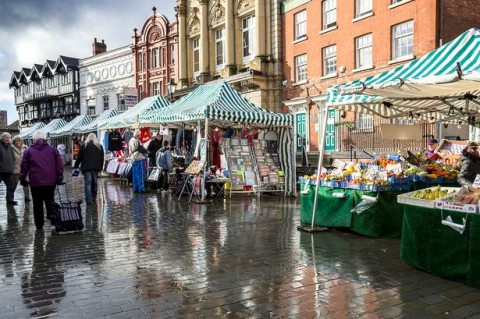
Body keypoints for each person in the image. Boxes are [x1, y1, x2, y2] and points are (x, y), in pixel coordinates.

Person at [19, 130, 64, 230]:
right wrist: (59, 178)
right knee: (50, 199)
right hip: (50, 181)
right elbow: (60, 165)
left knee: (37, 203)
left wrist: (22, 178)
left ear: (34, 139)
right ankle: (52, 217)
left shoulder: (29, 151)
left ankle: (39, 224)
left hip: (35, 181)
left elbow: (24, 166)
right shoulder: (53, 150)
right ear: (45, 138)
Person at [73, 133, 105, 205]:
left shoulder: (84, 146)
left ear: (88, 138)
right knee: (94, 182)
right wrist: (101, 167)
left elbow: (79, 157)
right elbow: (102, 158)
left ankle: (88, 200)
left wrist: (76, 165)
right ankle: (93, 197)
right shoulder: (99, 146)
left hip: (86, 167)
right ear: (95, 138)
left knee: (88, 183)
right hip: (96, 167)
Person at [11, 136, 30, 202]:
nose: (18, 142)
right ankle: (10, 198)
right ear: (14, 142)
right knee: (13, 185)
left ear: (21, 142)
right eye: (16, 141)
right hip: (15, 169)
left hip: (24, 169)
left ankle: (27, 198)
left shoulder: (25, 147)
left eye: (19, 141)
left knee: (26, 184)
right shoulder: (11, 148)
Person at [0, 132, 16, 205]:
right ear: (2, 138)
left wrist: (12, 165)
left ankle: (10, 200)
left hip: (8, 170)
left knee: (11, 186)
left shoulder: (10, 146)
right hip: (1, 170)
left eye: (9, 138)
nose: (8, 139)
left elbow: (12, 156)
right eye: (6, 137)